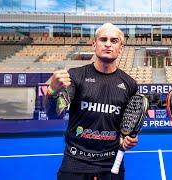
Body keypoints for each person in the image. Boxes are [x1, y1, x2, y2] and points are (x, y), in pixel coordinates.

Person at [44, 23, 138, 180]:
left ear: (121, 48)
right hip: (75, 163)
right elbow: (54, 113)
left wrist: (130, 138)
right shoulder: (75, 76)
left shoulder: (130, 84)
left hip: (112, 166)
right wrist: (52, 91)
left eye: (114, 41)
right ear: (94, 44)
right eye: (103, 39)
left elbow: (127, 126)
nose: (108, 44)